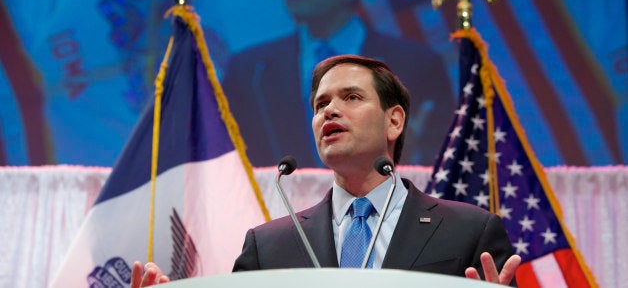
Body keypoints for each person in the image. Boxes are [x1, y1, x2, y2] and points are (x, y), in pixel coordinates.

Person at [131, 55, 520, 287]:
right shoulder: (268, 247)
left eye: (351, 97)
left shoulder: (469, 230)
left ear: (395, 121)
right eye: (320, 104)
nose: (329, 111)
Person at [222, 0, 454, 167]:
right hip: (282, 213)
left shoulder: (413, 65)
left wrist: (408, 153)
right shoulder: (250, 72)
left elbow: (443, 156)